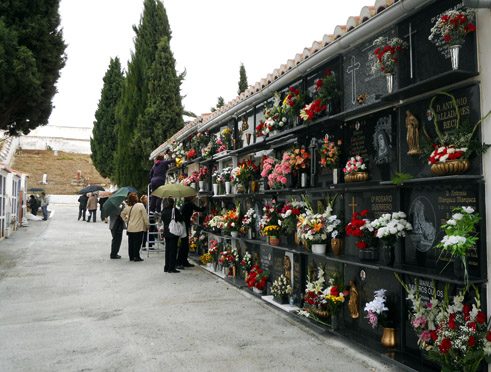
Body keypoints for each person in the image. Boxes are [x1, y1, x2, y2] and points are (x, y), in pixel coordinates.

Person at [177, 196, 205, 269]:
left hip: (185, 225)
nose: (195, 198)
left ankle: (183, 261)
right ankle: (180, 262)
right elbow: (200, 209)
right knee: (184, 244)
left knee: (185, 244)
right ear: (191, 198)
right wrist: (205, 204)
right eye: (194, 197)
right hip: (185, 225)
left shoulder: (185, 204)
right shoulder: (189, 204)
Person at [121, 192, 149, 262]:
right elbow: (144, 216)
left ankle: (131, 256)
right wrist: (147, 224)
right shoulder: (140, 205)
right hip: (139, 227)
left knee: (131, 242)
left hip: (130, 227)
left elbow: (122, 214)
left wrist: (127, 220)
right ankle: (136, 256)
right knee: (138, 242)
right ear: (135, 199)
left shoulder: (127, 207)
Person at [161, 197, 183, 273]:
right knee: (173, 250)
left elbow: (163, 219)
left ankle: (166, 266)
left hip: (166, 231)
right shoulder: (174, 210)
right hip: (173, 232)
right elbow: (180, 218)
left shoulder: (164, 210)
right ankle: (171, 267)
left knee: (167, 250)